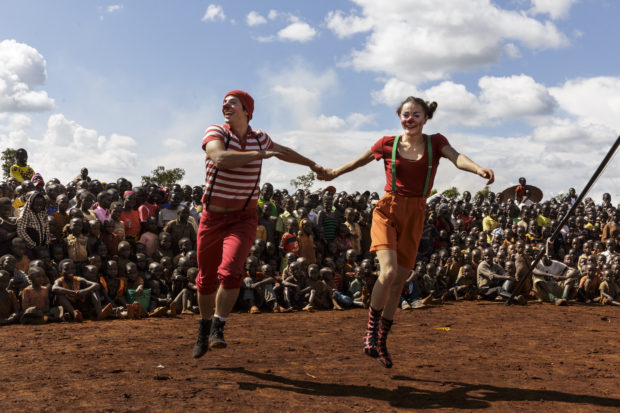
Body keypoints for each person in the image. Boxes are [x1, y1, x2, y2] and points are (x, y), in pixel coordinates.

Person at [321, 96, 494, 368]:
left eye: (416, 115)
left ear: (426, 118)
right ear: (399, 116)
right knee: (388, 272)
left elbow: (456, 157)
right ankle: (370, 330)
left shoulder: (434, 142)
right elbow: (359, 161)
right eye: (406, 114)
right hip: (388, 209)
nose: (410, 119)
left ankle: (381, 340)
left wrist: (478, 169)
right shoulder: (386, 143)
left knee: (399, 280)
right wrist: (334, 173)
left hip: (416, 213)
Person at [192, 90, 323, 359]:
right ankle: (204, 328)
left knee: (230, 273)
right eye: (224, 102)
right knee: (205, 280)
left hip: (243, 217)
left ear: (247, 110)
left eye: (232, 103)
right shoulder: (217, 131)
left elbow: (281, 151)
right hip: (213, 217)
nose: (225, 106)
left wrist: (313, 165)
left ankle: (219, 326)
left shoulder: (260, 137)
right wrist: (260, 154)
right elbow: (219, 159)